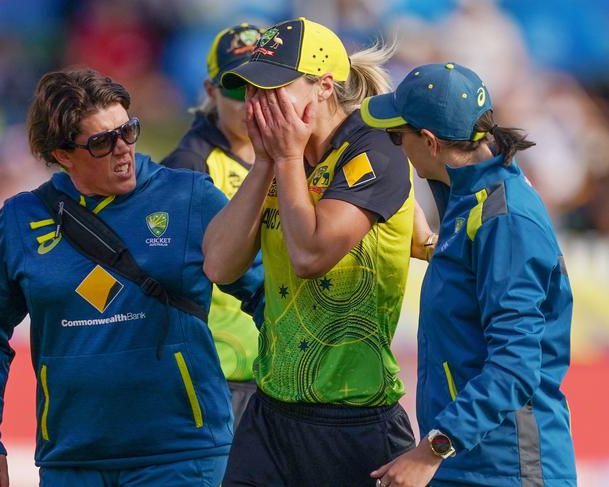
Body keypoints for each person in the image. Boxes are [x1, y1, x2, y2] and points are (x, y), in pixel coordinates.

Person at [0, 68, 262, 487]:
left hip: (182, 454)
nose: (123, 149)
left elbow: (266, 296)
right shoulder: (20, 218)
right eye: (103, 141)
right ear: (63, 155)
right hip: (71, 460)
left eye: (128, 131)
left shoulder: (190, 196)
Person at [203, 17, 434, 487]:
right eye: (250, 88)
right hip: (269, 414)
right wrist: (267, 160)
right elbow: (219, 264)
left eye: (274, 88)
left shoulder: (376, 150)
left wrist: (284, 159)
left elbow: (310, 256)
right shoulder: (280, 158)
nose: (257, 103)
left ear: (324, 87)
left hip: (353, 420)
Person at [361, 62, 576, 486]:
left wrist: (430, 451)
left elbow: (514, 367)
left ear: (429, 142)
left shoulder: (504, 220)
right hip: (471, 460)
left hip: (506, 469)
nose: (395, 147)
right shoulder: (475, 197)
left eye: (396, 136)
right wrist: (434, 247)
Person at [162, 23, 263, 429]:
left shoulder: (294, 155)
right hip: (222, 377)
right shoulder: (190, 166)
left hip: (282, 372)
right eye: (238, 87)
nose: (252, 101)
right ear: (210, 90)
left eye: (264, 85)